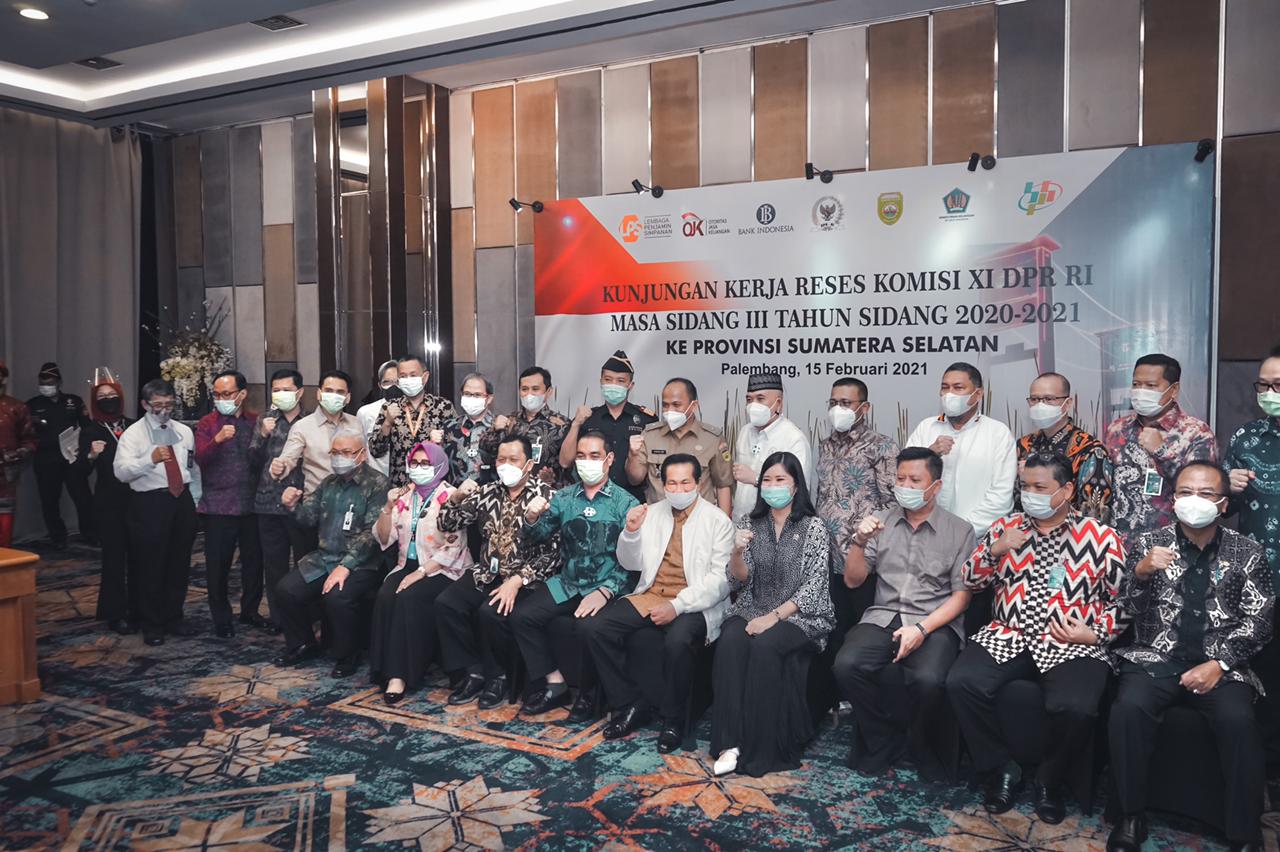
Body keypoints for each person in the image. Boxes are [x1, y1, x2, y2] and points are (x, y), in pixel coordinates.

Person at [946, 452, 1128, 823]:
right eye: (1025, 487)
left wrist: (1095, 633)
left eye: (1040, 487)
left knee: (1077, 707)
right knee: (961, 682)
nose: (1030, 495)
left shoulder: (1101, 537)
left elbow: (1125, 600)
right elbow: (970, 580)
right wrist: (995, 550)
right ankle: (1001, 768)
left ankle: (1050, 778)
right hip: (1008, 633)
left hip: (1069, 641)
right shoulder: (1006, 527)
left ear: (1067, 490)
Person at [1107, 461, 1275, 852]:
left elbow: (1261, 620)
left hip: (1222, 665)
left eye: (1205, 493)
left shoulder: (1248, 552)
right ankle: (1130, 815)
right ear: (1173, 499)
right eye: (1185, 492)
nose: (1193, 500)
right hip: (1155, 657)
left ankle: (1244, 833)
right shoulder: (1149, 543)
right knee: (1128, 709)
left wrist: (1220, 664)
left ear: (1223, 504)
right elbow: (1126, 607)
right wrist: (1141, 572)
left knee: (1239, 722)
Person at [832, 447, 975, 776]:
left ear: (935, 486)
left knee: (928, 679)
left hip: (934, 622)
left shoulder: (960, 531)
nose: (905, 486)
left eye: (915, 480)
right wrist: (858, 541)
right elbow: (853, 581)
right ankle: (884, 739)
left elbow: (961, 597)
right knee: (846, 666)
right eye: (900, 479)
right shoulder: (881, 522)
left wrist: (922, 629)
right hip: (883, 615)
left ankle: (919, 743)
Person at [582, 453, 734, 750]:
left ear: (698, 482)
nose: (678, 490)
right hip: (651, 593)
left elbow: (720, 581)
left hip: (694, 601)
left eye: (685, 483)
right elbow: (630, 563)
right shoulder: (651, 512)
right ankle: (630, 703)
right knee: (595, 628)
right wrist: (630, 532)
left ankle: (673, 720)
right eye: (672, 484)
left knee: (677, 641)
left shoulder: (718, 521)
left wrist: (677, 606)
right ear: (663, 485)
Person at [711, 451, 835, 777]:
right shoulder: (749, 524)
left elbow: (814, 585)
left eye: (781, 479)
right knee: (730, 641)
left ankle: (761, 748)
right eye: (767, 480)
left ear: (796, 486)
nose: (772, 486)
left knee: (766, 646)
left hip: (801, 615)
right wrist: (737, 551)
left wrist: (774, 617)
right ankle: (729, 743)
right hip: (753, 605)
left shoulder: (813, 527)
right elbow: (740, 578)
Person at [515, 430, 638, 718]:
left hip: (607, 584)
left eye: (594, 456)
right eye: (581, 456)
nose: (586, 462)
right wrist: (531, 518)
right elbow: (538, 536)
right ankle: (555, 683)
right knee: (523, 616)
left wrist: (605, 591)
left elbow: (634, 561)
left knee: (587, 629)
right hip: (568, 582)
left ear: (609, 459)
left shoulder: (626, 503)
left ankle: (590, 694)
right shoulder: (564, 497)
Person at [434, 433, 560, 709]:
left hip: (526, 579)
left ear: (529, 464)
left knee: (490, 612)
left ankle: (498, 677)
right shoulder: (487, 492)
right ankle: (473, 671)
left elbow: (554, 554)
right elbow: (446, 524)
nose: (506, 465)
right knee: (447, 603)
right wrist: (455, 497)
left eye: (513, 460)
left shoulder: (548, 497)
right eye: (501, 459)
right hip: (486, 572)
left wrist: (517, 580)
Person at [275, 427, 387, 676]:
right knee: (286, 590)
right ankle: (303, 644)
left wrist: (346, 566)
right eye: (334, 452)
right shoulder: (328, 483)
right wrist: (292, 506)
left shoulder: (377, 484)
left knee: (338, 597)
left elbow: (372, 534)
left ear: (361, 454)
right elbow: (308, 518)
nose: (339, 458)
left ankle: (348, 654)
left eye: (346, 452)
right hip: (325, 557)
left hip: (362, 562)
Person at [369, 442, 472, 704]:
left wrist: (422, 572)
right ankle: (382, 669)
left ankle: (400, 675)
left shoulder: (452, 496)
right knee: (385, 595)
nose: (418, 468)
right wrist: (387, 507)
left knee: (409, 597)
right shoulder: (405, 496)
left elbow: (455, 546)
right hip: (408, 563)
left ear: (440, 466)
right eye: (414, 463)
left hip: (445, 567)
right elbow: (384, 538)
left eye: (425, 463)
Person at [113, 379, 198, 646]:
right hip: (150, 502)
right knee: (150, 564)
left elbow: (191, 466)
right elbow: (121, 472)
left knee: (179, 561)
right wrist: (148, 460)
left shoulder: (184, 431)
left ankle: (174, 616)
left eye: (169, 404)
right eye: (158, 405)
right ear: (145, 404)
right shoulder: (134, 434)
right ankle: (151, 622)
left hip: (181, 500)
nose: (164, 410)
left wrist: (194, 499)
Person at [1104, 353, 1217, 544]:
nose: (1141, 391)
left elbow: (1201, 494)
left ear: (1174, 390)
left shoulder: (1196, 432)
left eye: (1151, 386)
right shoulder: (1117, 429)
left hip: (1170, 546)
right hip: (1119, 544)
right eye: (1136, 384)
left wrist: (1162, 452)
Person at [906, 362, 1017, 538]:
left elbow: (1001, 496)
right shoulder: (926, 427)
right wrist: (929, 454)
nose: (949, 394)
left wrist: (961, 533)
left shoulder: (998, 433)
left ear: (978, 394)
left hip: (976, 539)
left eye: (958, 388)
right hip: (923, 535)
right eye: (945, 387)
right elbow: (906, 484)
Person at [194, 369, 266, 638]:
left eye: (226, 394)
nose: (221, 399)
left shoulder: (255, 422)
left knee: (254, 565)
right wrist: (217, 440)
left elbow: (262, 460)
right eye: (216, 394)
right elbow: (200, 458)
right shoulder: (207, 424)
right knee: (218, 567)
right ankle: (221, 618)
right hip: (218, 507)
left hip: (251, 505)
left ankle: (250, 611)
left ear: (242, 394)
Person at [74, 372, 136, 634]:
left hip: (137, 499)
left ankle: (139, 608)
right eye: (102, 396)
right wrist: (90, 455)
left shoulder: (134, 425)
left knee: (140, 556)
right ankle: (115, 612)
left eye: (112, 395)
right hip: (109, 503)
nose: (108, 399)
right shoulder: (90, 430)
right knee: (113, 559)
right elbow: (79, 472)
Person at [250, 369, 309, 633]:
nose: (281, 394)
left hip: (301, 502)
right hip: (269, 502)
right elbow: (252, 462)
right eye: (276, 390)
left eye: (287, 390)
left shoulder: (310, 421)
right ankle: (280, 620)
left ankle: (306, 617)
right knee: (274, 566)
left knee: (305, 564)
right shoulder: (266, 420)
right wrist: (262, 435)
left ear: (300, 392)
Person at [814, 378, 898, 561]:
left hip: (861, 552)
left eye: (845, 403)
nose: (838, 409)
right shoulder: (825, 446)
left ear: (865, 407)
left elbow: (891, 503)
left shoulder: (881, 446)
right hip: (824, 553)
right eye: (833, 403)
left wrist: (868, 539)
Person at [1014, 372, 1113, 522]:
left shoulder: (1090, 450)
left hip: (1071, 533)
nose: (1040, 405)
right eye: (1034, 399)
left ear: (1067, 403)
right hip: (1024, 531)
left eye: (1049, 399)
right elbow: (1014, 500)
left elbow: (1094, 515)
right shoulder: (1022, 446)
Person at [625, 377, 732, 514]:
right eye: (665, 405)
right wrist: (633, 455)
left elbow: (723, 485)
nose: (670, 410)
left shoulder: (712, 439)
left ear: (693, 406)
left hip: (700, 519)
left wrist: (725, 523)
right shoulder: (650, 435)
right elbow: (635, 479)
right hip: (659, 519)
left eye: (676, 405)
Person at [558, 350, 656, 500]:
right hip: (591, 500)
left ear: (630, 385)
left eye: (620, 381)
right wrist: (576, 424)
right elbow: (565, 462)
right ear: (601, 382)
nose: (613, 385)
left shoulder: (645, 419)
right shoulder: (588, 418)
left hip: (633, 500)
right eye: (608, 379)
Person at [26, 361, 94, 547]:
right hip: (46, 459)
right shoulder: (32, 405)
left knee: (83, 497)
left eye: (50, 383)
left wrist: (84, 451)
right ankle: (58, 537)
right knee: (49, 500)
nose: (46, 386)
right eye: (43, 383)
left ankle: (90, 533)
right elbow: (25, 433)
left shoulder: (73, 401)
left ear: (59, 382)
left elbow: (87, 427)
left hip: (72, 457)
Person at [271, 370, 362, 509]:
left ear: (348, 397)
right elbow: (288, 458)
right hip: (318, 504)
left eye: (339, 392)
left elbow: (365, 460)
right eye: (328, 391)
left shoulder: (356, 424)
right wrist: (279, 467)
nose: (333, 396)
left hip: (354, 502)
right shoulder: (302, 426)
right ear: (319, 394)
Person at [731, 372, 811, 518]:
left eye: (760, 399)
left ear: (778, 403)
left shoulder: (794, 438)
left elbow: (800, 488)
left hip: (774, 523)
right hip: (741, 520)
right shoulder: (744, 432)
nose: (753, 405)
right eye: (749, 399)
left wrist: (756, 479)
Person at [368, 354, 455, 487]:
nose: (408, 380)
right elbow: (376, 451)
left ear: (425, 377)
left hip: (435, 486)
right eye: (403, 376)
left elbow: (455, 448)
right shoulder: (389, 407)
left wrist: (441, 441)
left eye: (413, 375)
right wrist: (387, 423)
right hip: (400, 486)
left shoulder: (443, 407)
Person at [482, 366, 569, 487]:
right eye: (524, 389)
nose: (529, 394)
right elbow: (486, 454)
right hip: (510, 491)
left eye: (535, 389)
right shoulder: (509, 421)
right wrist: (495, 431)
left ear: (548, 392)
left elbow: (569, 463)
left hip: (547, 492)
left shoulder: (561, 425)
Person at [0, 361, 37, 548]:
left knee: (5, 517)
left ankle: (5, 557)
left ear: (4, 379)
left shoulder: (17, 407)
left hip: (6, 473)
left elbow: (29, 440)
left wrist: (16, 455)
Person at [441, 372, 497, 485]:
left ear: (489, 398)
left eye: (477, 395)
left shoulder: (499, 428)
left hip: (490, 493)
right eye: (467, 394)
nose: (471, 398)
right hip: (455, 493)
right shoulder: (449, 427)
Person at [357, 360, 399, 477]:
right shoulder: (365, 412)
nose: (393, 386)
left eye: (398, 381)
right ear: (380, 385)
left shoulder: (414, 410)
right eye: (387, 382)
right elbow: (360, 447)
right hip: (376, 479)